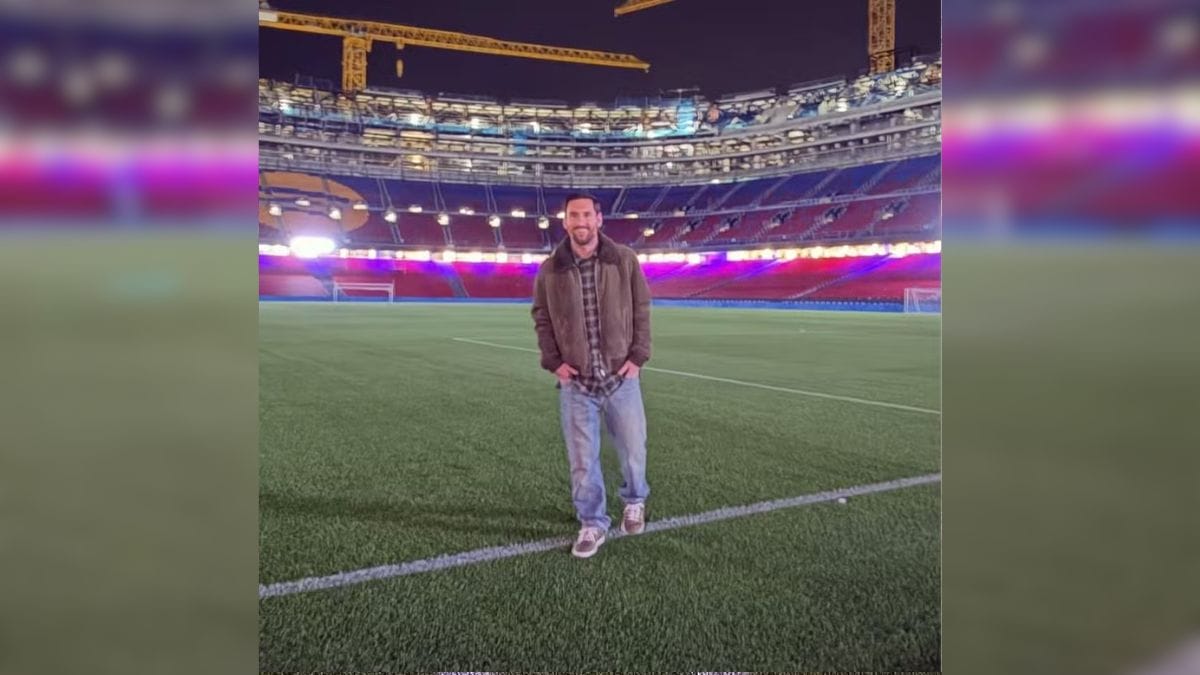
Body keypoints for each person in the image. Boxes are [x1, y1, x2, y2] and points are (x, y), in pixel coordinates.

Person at [531, 193, 653, 559]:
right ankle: (592, 523)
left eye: (587, 214)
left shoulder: (624, 260)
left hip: (621, 377)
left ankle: (634, 501)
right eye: (573, 215)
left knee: (633, 451)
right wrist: (553, 361)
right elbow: (542, 317)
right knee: (582, 460)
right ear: (564, 221)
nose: (580, 221)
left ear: (599, 219)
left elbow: (641, 308)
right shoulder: (550, 268)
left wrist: (638, 356)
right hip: (577, 383)